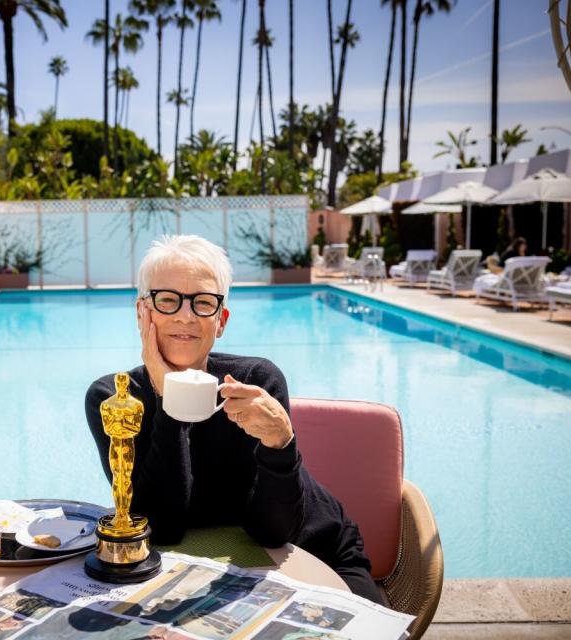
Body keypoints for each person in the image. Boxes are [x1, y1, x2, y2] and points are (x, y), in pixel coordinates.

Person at [85, 235, 381, 604]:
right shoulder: (115, 401)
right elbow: (162, 526)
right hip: (211, 571)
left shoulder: (256, 382)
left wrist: (281, 444)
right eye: (167, 299)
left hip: (317, 552)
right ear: (143, 312)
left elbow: (274, 532)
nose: (185, 315)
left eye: (203, 303)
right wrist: (168, 397)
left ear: (221, 321)